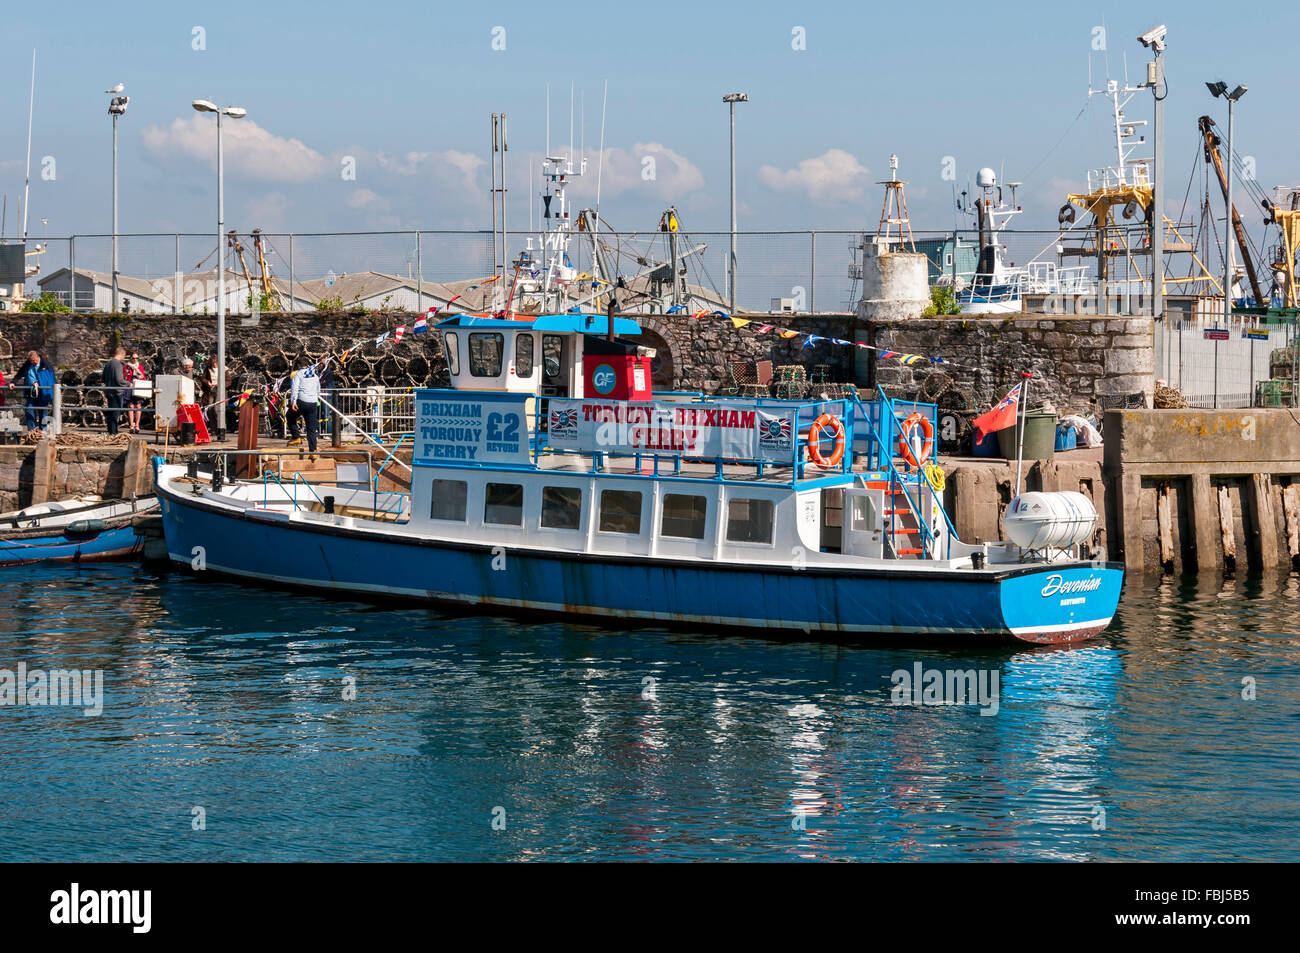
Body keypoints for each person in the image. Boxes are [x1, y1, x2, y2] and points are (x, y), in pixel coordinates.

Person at [289, 360, 322, 456]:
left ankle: (296, 437)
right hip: (313, 403)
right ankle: (313, 451)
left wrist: (293, 402)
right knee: (311, 428)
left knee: (290, 416)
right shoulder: (315, 376)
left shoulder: (298, 374)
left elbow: (294, 389)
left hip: (302, 402)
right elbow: (318, 389)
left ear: (298, 367)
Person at [17, 351, 54, 433]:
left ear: (38, 357)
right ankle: (32, 431)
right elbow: (20, 373)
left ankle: (42, 431)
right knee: (29, 409)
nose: (32, 362)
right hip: (31, 392)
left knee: (43, 413)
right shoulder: (28, 364)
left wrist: (39, 383)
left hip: (43, 393)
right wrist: (13, 381)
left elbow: (49, 379)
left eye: (34, 360)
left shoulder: (45, 364)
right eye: (31, 361)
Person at [102, 346, 127, 435]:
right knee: (115, 413)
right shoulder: (118, 364)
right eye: (124, 356)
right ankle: (114, 433)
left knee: (110, 412)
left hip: (109, 391)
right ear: (121, 355)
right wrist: (128, 384)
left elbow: (103, 379)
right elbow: (119, 380)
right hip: (116, 392)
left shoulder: (108, 364)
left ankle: (110, 431)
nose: (124, 358)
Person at [124, 350, 148, 434]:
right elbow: (123, 378)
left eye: (136, 358)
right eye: (133, 358)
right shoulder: (127, 366)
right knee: (130, 406)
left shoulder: (140, 367)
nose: (135, 360)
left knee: (138, 406)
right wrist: (126, 374)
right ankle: (131, 425)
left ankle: (137, 425)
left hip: (138, 386)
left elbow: (143, 378)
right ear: (130, 358)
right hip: (129, 387)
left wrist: (138, 372)